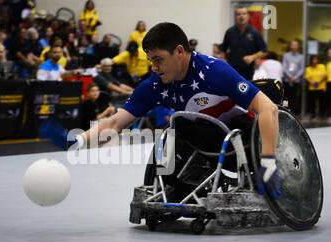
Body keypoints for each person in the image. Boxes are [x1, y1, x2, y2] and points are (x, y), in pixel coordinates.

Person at [69, 22, 281, 199]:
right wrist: (79, 140)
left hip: (242, 138)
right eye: (150, 61)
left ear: (180, 51)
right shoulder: (155, 85)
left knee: (181, 124)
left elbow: (268, 108)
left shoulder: (215, 71)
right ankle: (180, 186)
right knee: (175, 125)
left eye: (158, 59)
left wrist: (269, 160)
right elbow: (115, 124)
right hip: (202, 140)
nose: (154, 67)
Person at [220, 6, 267, 80]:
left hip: (248, 69)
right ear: (235, 17)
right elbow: (223, 50)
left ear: (248, 16)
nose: (241, 16)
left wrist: (252, 57)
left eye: (244, 14)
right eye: (238, 14)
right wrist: (222, 65)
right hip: (232, 69)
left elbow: (264, 50)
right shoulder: (230, 32)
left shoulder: (254, 32)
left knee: (246, 90)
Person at [282, 40, 304, 116]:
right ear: (290, 46)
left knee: (295, 97)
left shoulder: (301, 57)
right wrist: (290, 77)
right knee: (286, 97)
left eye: (296, 45)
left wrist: (295, 77)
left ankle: (294, 113)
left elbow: (302, 69)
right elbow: (284, 67)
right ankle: (286, 112)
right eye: (293, 45)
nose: (294, 46)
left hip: (296, 81)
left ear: (298, 47)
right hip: (287, 80)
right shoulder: (286, 56)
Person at [304, 55, 327, 120]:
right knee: (312, 103)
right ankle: (313, 115)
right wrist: (313, 83)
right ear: (311, 61)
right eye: (313, 59)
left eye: (316, 59)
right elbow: (307, 78)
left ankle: (322, 115)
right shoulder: (308, 68)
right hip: (312, 88)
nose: (315, 61)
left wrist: (318, 82)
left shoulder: (322, 66)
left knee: (322, 102)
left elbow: (325, 75)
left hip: (321, 87)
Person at [325, 48, 331, 119]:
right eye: (329, 53)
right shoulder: (328, 64)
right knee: (329, 100)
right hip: (329, 83)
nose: (330, 55)